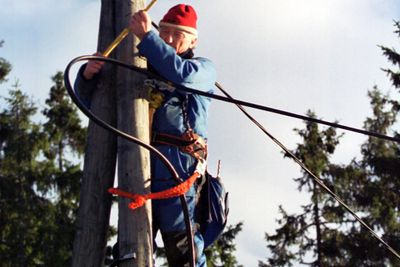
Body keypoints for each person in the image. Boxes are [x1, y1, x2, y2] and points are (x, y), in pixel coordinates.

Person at [74, 4, 216, 267]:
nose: (169, 39)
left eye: (177, 34)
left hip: (178, 175)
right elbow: (97, 108)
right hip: (138, 168)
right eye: (164, 32)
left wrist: (148, 38)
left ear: (193, 40)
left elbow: (183, 76)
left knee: (185, 254)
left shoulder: (203, 69)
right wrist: (89, 75)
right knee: (130, 251)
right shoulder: (139, 67)